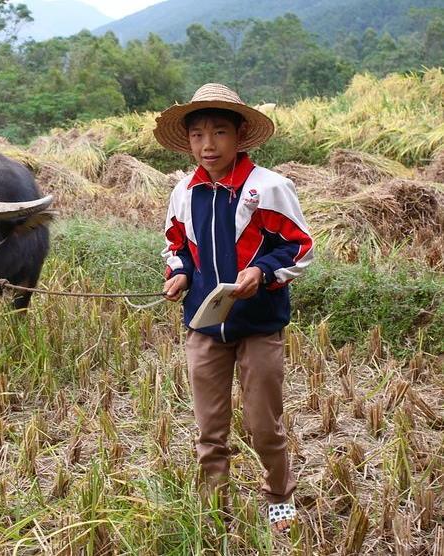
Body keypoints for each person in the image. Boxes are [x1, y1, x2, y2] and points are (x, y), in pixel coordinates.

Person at [153, 83, 314, 534]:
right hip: (204, 326)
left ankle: (279, 497)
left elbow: (298, 247)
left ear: (240, 135)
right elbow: (176, 246)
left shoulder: (268, 189)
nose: (208, 145)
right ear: (187, 141)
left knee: (264, 424)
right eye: (198, 134)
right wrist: (180, 273)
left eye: (219, 132)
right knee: (210, 426)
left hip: (259, 325)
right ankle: (214, 503)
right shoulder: (184, 192)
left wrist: (261, 272)